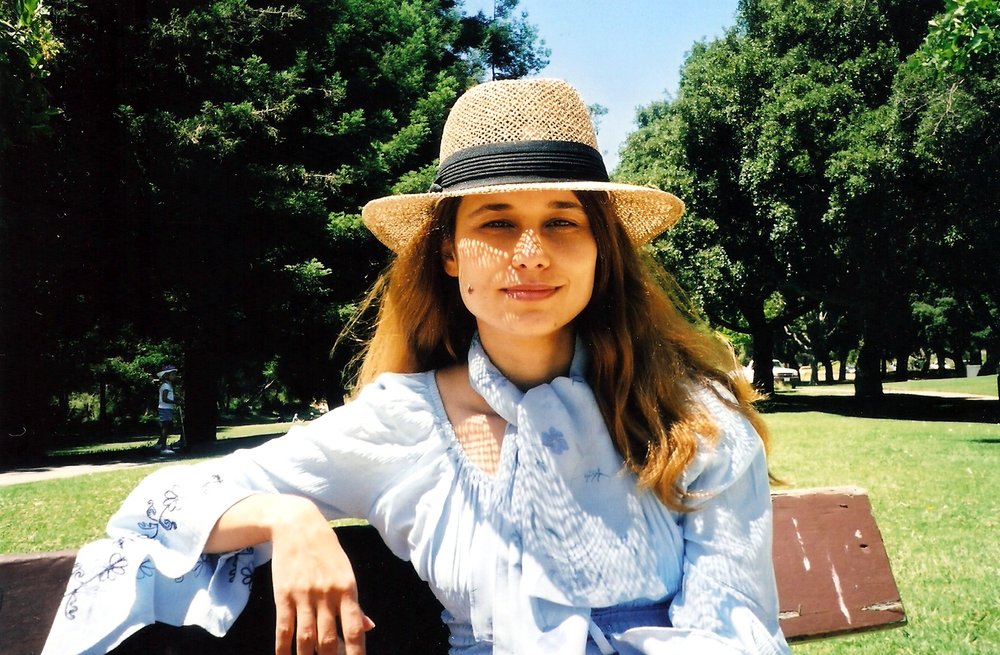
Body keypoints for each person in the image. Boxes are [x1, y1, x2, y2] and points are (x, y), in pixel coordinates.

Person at [44, 78, 791, 655]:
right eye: (497, 222)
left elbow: (737, 626)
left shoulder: (695, 419)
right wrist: (286, 515)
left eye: (562, 221)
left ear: (601, 251)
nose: (530, 253)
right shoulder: (403, 422)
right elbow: (155, 502)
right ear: (448, 250)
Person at [153, 364, 184, 454]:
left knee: (167, 427)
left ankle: (159, 444)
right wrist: (175, 402)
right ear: (167, 375)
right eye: (172, 374)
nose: (174, 376)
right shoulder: (166, 386)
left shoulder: (168, 385)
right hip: (165, 408)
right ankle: (163, 448)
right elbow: (164, 399)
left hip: (167, 408)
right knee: (165, 428)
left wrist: (176, 398)